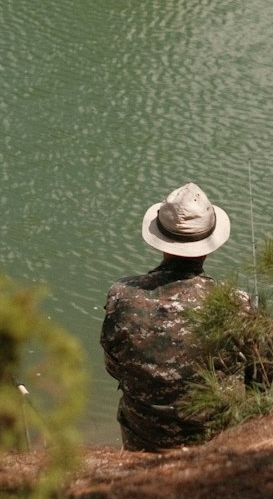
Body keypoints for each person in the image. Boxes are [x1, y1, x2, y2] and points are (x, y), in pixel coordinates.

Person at [100, 182, 244, 451]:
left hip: (143, 434)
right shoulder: (238, 305)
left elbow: (113, 367)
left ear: (160, 241)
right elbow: (260, 378)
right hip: (216, 434)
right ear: (209, 245)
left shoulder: (121, 296)